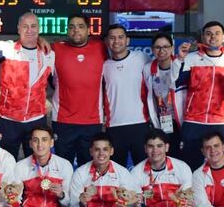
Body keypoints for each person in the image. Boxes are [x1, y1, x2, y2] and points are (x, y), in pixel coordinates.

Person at [0, 13, 55, 159]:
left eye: (33, 26)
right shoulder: (8, 49)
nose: (29, 30)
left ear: (39, 29)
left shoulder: (49, 54)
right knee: (6, 162)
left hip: (36, 119)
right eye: (25, 26)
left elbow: (55, 82)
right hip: (9, 120)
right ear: (18, 29)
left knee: (34, 162)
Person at [173, 21, 224, 170]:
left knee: (223, 167)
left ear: (223, 37)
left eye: (217, 33)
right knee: (190, 166)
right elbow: (175, 83)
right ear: (203, 37)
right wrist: (179, 59)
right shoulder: (191, 58)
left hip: (222, 121)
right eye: (208, 34)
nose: (213, 37)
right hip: (194, 120)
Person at [50, 15, 108, 165]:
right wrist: (40, 40)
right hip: (63, 121)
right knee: (63, 167)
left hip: (92, 121)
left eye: (80, 26)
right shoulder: (55, 49)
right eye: (72, 27)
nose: (76, 30)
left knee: (89, 168)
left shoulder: (101, 48)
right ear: (67, 30)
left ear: (89, 30)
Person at [102, 24, 151, 167]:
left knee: (143, 169)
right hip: (114, 126)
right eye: (112, 38)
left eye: (120, 37)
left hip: (140, 124)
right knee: (117, 171)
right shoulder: (104, 66)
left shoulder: (142, 58)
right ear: (107, 41)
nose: (116, 41)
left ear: (127, 40)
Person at [142, 32, 184, 158]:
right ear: (152, 50)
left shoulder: (182, 65)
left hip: (182, 118)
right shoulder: (148, 69)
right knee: (167, 154)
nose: (162, 51)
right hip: (163, 119)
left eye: (165, 47)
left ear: (172, 48)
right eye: (158, 47)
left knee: (183, 155)